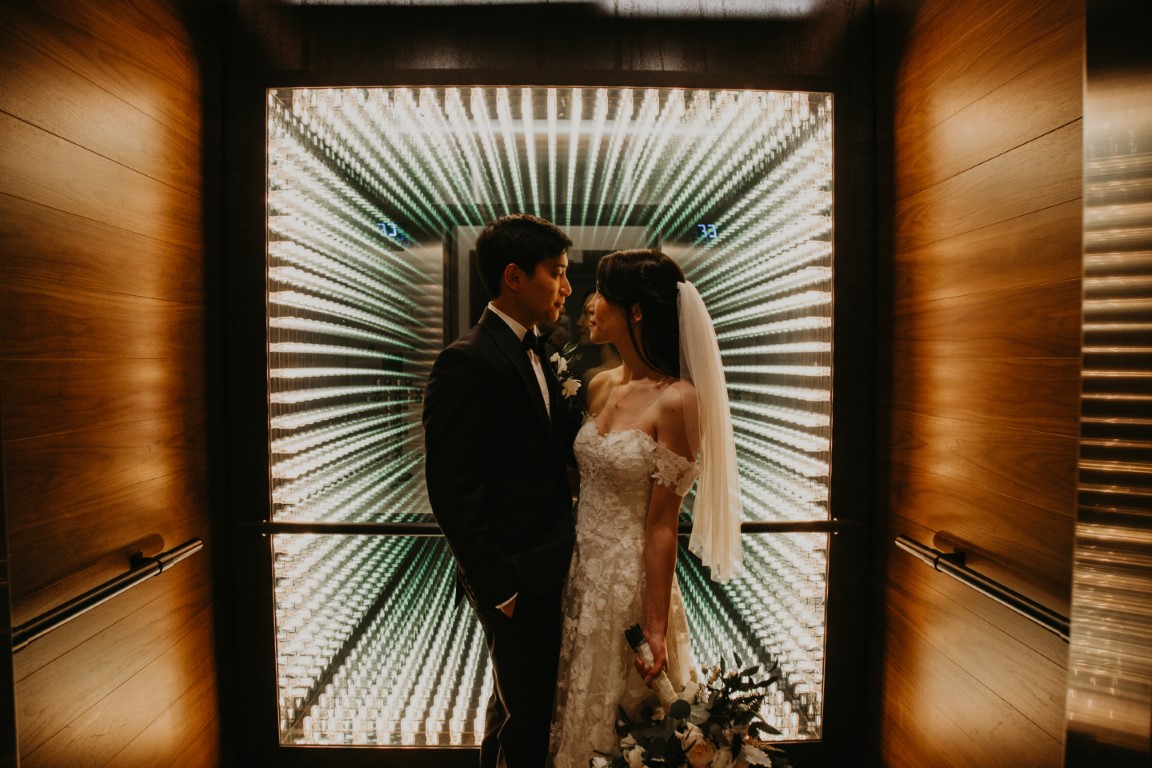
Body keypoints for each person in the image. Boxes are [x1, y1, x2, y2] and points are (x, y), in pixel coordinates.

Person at [548, 250, 744, 767]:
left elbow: (661, 525)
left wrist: (654, 627)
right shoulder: (601, 384)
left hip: (629, 584)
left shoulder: (677, 400)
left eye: (602, 295)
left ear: (635, 311)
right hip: (579, 575)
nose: (590, 304)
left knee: (624, 722)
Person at [422, 213, 577, 768]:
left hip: (551, 565)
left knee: (514, 710)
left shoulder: (542, 349)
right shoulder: (465, 361)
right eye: (557, 272)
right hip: (514, 577)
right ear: (515, 277)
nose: (566, 287)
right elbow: (451, 490)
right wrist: (499, 587)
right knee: (530, 720)